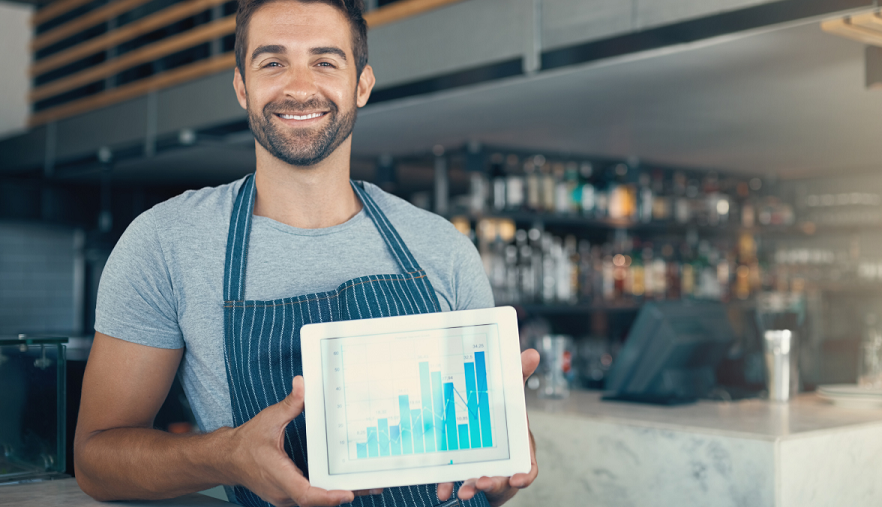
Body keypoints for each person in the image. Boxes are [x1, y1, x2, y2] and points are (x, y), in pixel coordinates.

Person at [72, 0, 539, 506]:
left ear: (361, 84)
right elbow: (97, 461)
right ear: (241, 86)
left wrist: (505, 460)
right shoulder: (165, 243)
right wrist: (225, 455)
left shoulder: (442, 247)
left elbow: (489, 485)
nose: (298, 87)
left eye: (325, 61)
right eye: (272, 62)